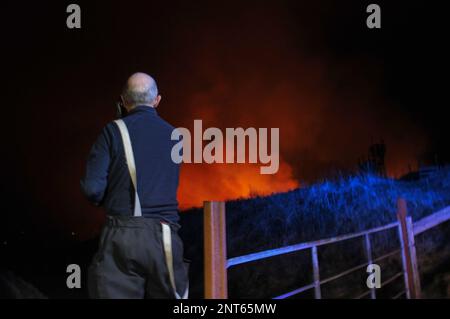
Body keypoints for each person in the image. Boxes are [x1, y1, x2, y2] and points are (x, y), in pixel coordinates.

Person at [81, 72, 188, 299]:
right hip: (165, 237)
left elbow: (92, 189)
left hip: (122, 237)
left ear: (123, 100)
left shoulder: (112, 131)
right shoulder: (176, 136)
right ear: (157, 100)